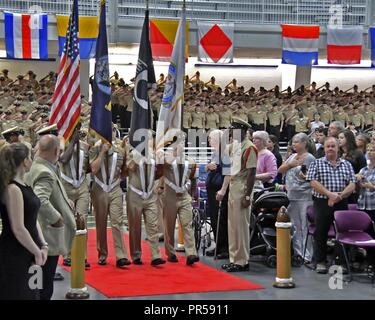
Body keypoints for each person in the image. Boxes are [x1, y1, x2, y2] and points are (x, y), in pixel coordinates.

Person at [26, 135, 76, 300]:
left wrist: (63, 200)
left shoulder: (35, 167)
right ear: (56, 151)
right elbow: (40, 199)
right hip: (47, 235)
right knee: (45, 286)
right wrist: (57, 218)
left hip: (36, 234)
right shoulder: (45, 172)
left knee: (37, 284)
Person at [0, 143, 48, 300]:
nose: (32, 159)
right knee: (19, 294)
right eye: (29, 156)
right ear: (24, 161)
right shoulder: (12, 189)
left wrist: (43, 245)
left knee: (34, 293)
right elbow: (18, 228)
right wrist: (36, 250)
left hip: (31, 251)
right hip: (16, 253)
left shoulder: (26, 185)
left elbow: (33, 220)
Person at [306, 137, 356, 274]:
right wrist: (329, 194)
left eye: (333, 146)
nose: (330, 149)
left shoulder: (347, 164)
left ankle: (340, 262)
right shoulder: (317, 163)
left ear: (338, 148)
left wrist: (339, 196)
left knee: (342, 232)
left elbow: (352, 183)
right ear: (324, 148)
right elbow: (313, 182)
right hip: (322, 202)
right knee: (320, 232)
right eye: (328, 146)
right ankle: (320, 261)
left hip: (342, 201)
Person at [217, 117, 257, 272]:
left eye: (233, 130)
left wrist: (248, 195)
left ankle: (242, 260)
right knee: (232, 226)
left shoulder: (249, 147)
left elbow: (252, 173)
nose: (231, 132)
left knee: (241, 226)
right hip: (233, 186)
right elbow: (221, 153)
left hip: (242, 188)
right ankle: (234, 258)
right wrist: (224, 136)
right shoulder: (235, 145)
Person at [125, 133, 166, 266]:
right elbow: (129, 168)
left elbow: (160, 172)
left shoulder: (155, 156)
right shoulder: (133, 153)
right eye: (147, 139)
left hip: (150, 194)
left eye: (151, 139)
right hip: (135, 195)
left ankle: (155, 255)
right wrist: (138, 157)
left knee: (153, 226)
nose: (150, 141)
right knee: (135, 227)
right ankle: (136, 254)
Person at [89, 136, 130, 268]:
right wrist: (102, 152)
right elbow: (94, 169)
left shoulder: (120, 149)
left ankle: (121, 256)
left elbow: (124, 171)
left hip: (115, 188)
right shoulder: (95, 147)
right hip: (99, 188)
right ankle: (102, 253)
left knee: (117, 221)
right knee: (100, 223)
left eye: (111, 129)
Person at [159, 131, 199, 265]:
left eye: (182, 142)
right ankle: (170, 252)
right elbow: (160, 170)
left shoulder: (190, 161)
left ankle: (191, 253)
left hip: (184, 197)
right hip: (169, 196)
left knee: (187, 225)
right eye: (177, 142)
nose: (180, 144)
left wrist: (193, 196)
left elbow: (193, 179)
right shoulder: (166, 159)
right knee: (169, 227)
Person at [278, 133, 315, 263]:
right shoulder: (292, 156)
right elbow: (280, 170)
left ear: (305, 143)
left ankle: (308, 255)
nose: (294, 144)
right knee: (294, 225)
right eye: (293, 142)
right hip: (291, 195)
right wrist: (290, 165)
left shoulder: (309, 158)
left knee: (305, 225)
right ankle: (298, 252)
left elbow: (312, 177)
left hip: (305, 196)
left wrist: (303, 176)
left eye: (297, 142)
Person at [205, 130, 230, 259]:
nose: (209, 141)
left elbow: (227, 173)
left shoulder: (224, 153)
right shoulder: (215, 153)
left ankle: (224, 248)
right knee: (214, 219)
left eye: (211, 138)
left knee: (221, 219)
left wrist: (223, 190)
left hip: (219, 190)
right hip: (212, 190)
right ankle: (218, 244)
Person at [357, 142, 375, 225]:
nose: (369, 152)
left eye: (372, 150)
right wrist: (357, 180)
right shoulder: (363, 170)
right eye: (368, 150)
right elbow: (358, 186)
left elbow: (371, 186)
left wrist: (373, 187)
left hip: (373, 205)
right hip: (362, 204)